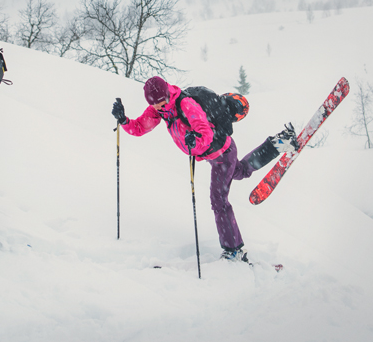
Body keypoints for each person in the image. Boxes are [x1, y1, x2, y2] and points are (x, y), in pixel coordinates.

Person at [112, 76, 297, 264]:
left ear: (167, 93)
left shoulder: (186, 104)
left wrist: (195, 141)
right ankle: (277, 144)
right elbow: (141, 127)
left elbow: (206, 133)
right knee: (240, 171)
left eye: (161, 102)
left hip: (223, 154)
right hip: (213, 156)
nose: (158, 107)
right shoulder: (160, 108)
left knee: (219, 200)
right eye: (154, 104)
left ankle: (234, 250)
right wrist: (124, 120)